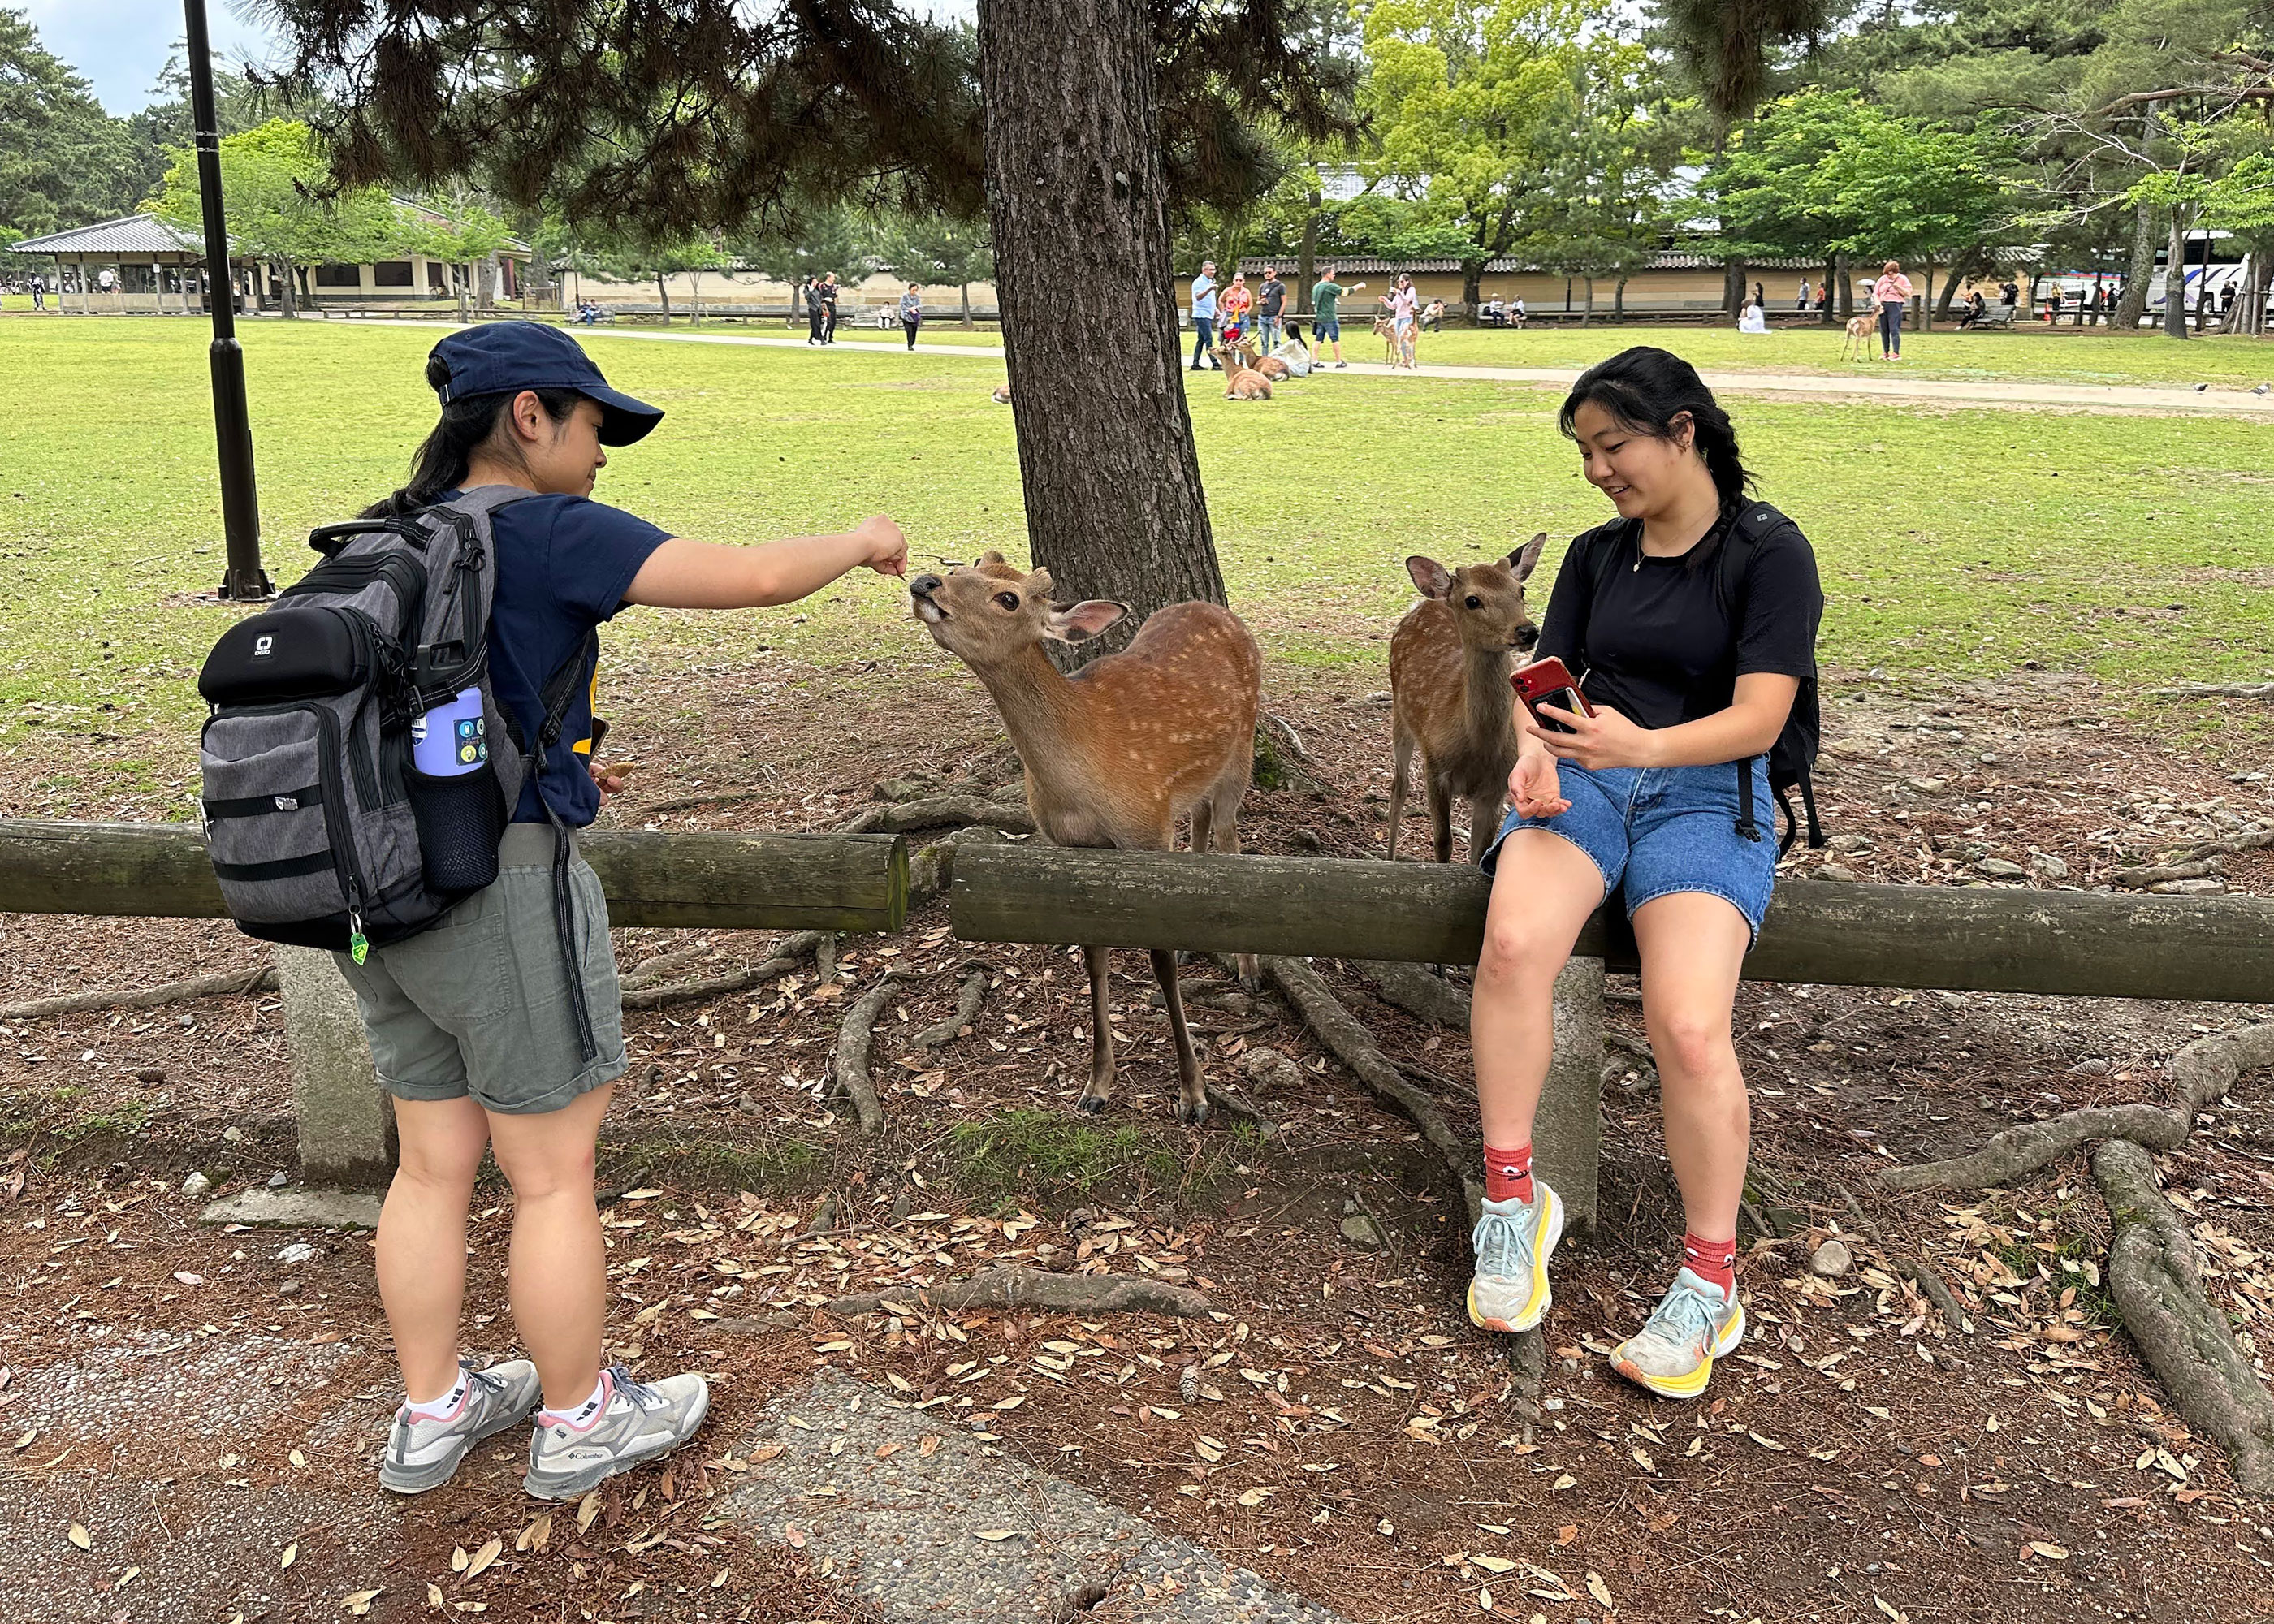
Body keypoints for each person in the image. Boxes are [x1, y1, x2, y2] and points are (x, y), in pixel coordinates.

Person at [351, 322, 908, 1500]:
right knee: (550, 1173)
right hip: (499, 892)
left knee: (431, 1164)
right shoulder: (547, 531)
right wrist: (863, 540)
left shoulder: (387, 535)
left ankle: (432, 1409)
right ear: (529, 418)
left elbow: (436, 715)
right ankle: (578, 1418)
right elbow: (750, 577)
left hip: (378, 896)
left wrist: (551, 763)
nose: (604, 450)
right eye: (595, 423)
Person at [1464, 345, 1821, 1402]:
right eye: (1583, 451)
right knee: (1516, 943)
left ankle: (1711, 1285)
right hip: (1587, 780)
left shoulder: (1769, 555)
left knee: (1689, 1025)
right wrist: (1535, 751)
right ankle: (1512, 1208)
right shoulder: (1594, 554)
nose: (1596, 470)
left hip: (1711, 794)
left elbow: (1761, 716)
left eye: (1612, 445)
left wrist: (1646, 750)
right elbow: (1549, 677)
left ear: (1683, 432)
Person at [1310, 266, 1362, 368]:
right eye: (1333, 273)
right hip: (1329, 317)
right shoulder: (1329, 286)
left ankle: (1315, 360)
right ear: (1328, 274)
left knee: (1318, 339)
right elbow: (1345, 292)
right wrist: (1359, 286)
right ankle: (1339, 361)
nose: (1334, 275)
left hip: (1319, 317)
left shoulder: (1316, 286)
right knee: (1335, 339)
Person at [1871, 259, 1912, 360]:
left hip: (1895, 304)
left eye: (1891, 274)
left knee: (1894, 329)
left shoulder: (1903, 279)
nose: (1889, 276)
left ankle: (1896, 353)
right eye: (1888, 274)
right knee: (1884, 329)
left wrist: (1898, 287)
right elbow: (1876, 293)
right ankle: (1885, 352)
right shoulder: (1882, 279)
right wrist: (1878, 304)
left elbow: (1908, 293)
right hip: (1883, 305)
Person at [1190, 260, 1219, 371]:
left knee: (1201, 340)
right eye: (1210, 270)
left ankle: (1195, 363)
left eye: (1214, 269)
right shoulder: (1199, 282)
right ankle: (1215, 362)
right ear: (1204, 270)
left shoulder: (1209, 281)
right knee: (1208, 338)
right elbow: (1198, 297)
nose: (1213, 272)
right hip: (1201, 314)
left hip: (1208, 313)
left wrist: (1215, 309)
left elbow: (1209, 299)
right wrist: (1209, 289)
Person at [1390, 273, 1419, 369]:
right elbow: (1392, 306)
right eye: (1398, 282)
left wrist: (1399, 292)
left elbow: (1407, 300)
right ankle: (1405, 359)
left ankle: (1410, 359)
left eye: (1401, 281)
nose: (1400, 283)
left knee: (1406, 338)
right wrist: (1384, 300)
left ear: (1407, 281)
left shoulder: (1411, 290)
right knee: (1399, 340)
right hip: (1399, 317)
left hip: (1408, 317)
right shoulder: (1399, 293)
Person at [1219, 271, 1253, 349]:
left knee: (1242, 338)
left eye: (1240, 280)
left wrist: (1246, 313)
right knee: (1231, 337)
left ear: (1244, 281)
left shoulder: (1246, 291)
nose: (1238, 282)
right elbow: (1221, 300)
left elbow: (1250, 304)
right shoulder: (1228, 291)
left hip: (1242, 315)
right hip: (1231, 316)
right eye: (1236, 280)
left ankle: (1241, 360)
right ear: (1233, 281)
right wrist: (1224, 311)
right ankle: (1231, 359)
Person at [1256, 268, 1286, 353]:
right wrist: (1261, 302)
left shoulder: (1280, 286)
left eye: (1269, 272)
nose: (1267, 274)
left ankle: (1277, 360)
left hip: (1274, 316)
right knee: (1263, 342)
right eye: (1265, 273)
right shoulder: (1262, 286)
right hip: (1263, 316)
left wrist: (1279, 316)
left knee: (1276, 341)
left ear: (1274, 273)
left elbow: (1284, 302)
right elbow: (1257, 301)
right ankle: (1265, 360)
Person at [804, 276, 827, 346]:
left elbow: (820, 299)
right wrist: (810, 291)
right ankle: (821, 339)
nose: (816, 283)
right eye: (814, 281)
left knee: (816, 324)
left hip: (818, 309)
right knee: (816, 324)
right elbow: (807, 297)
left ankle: (810, 339)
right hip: (813, 309)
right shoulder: (807, 290)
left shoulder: (818, 290)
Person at [898, 283, 922, 351]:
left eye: (916, 290)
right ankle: (909, 345)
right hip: (906, 316)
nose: (914, 291)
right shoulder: (905, 296)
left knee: (914, 331)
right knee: (909, 331)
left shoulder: (917, 297)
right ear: (910, 289)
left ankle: (912, 343)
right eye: (913, 290)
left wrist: (915, 307)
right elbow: (902, 305)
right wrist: (909, 309)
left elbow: (919, 305)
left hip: (914, 316)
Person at [820, 273, 840, 343]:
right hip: (825, 306)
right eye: (833, 277)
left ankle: (830, 337)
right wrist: (825, 299)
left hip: (832, 306)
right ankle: (824, 336)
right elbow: (819, 296)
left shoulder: (833, 287)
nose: (834, 279)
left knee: (833, 322)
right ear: (828, 277)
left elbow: (835, 296)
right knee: (828, 321)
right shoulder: (822, 286)